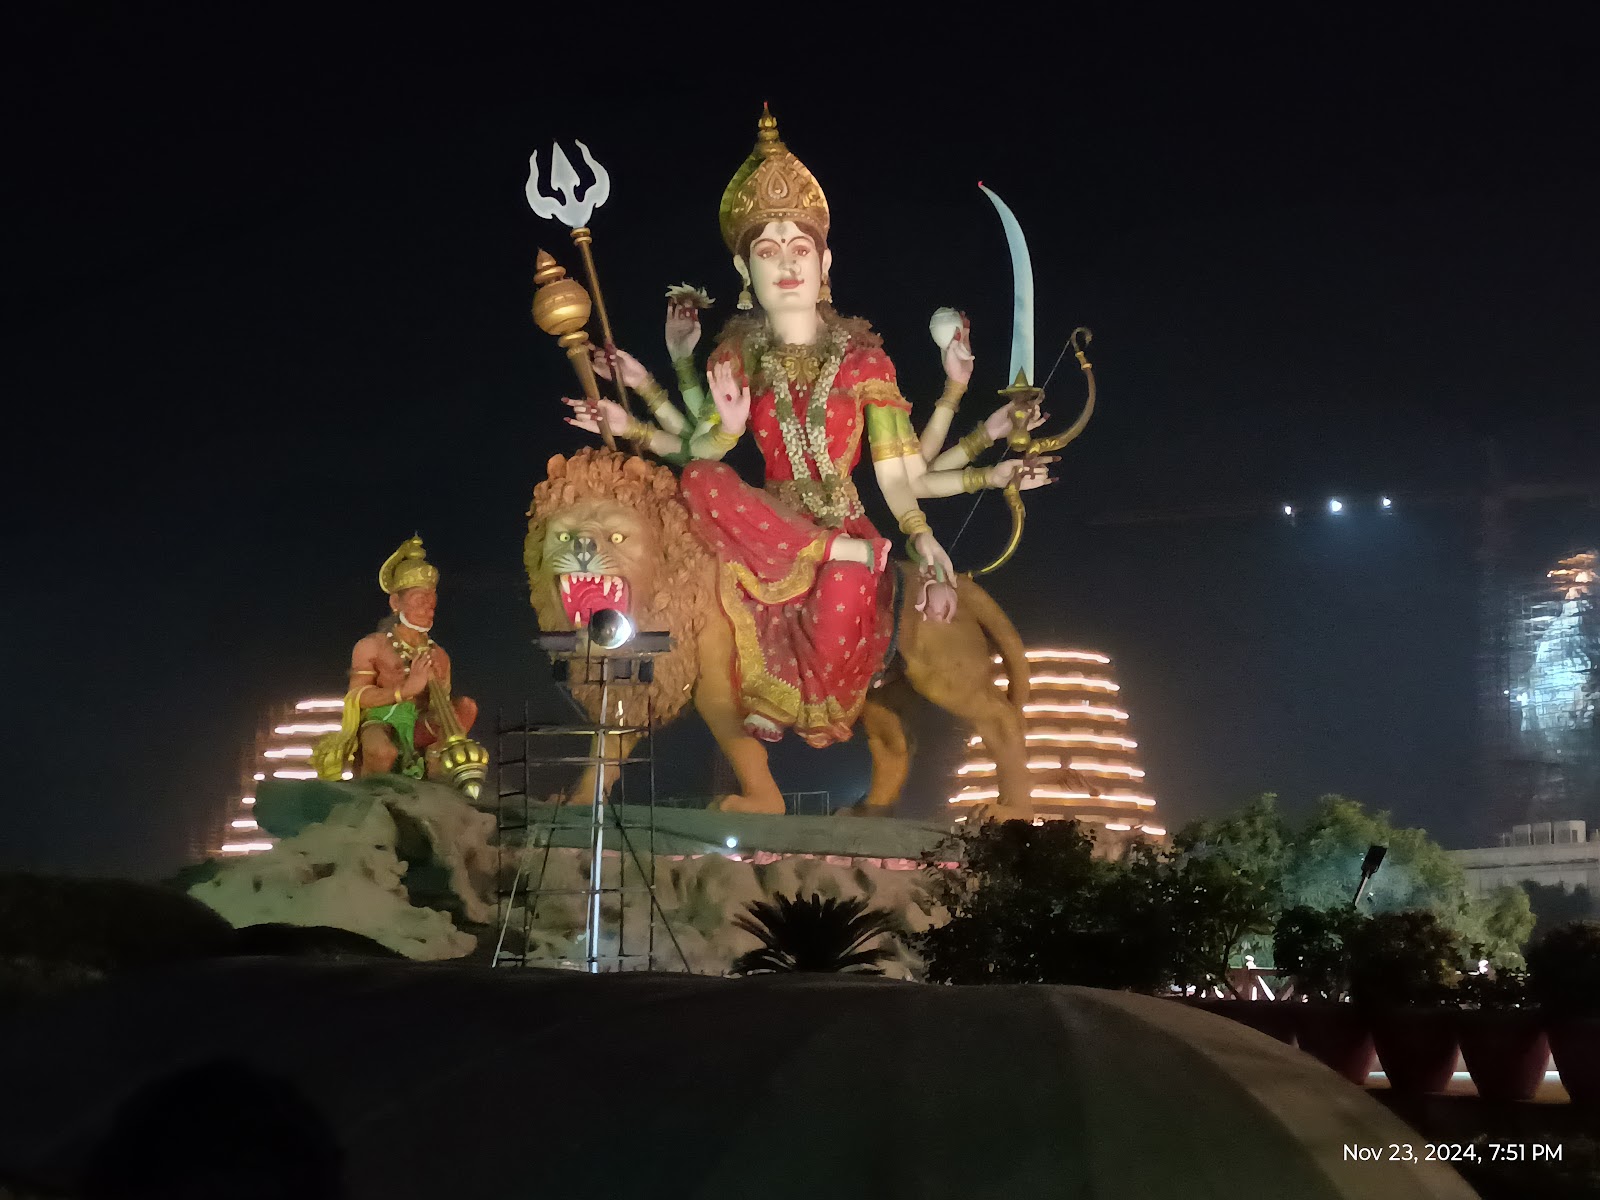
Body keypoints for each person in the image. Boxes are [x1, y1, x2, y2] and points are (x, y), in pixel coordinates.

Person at [566, 107, 1053, 747]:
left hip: (846, 524)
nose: (787, 265)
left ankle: (800, 684)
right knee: (704, 479)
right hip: (770, 524)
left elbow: (901, 475)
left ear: (826, 262)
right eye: (767, 252)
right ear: (745, 272)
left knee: (855, 572)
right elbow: (698, 447)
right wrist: (699, 408)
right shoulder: (737, 355)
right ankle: (812, 584)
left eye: (801, 249)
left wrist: (927, 541)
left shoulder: (864, 362)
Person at [311, 536, 477, 781]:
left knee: (465, 708)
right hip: (382, 719)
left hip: (420, 723)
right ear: (395, 603)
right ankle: (372, 795)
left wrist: (435, 694)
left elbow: (441, 708)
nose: (427, 609)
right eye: (419, 601)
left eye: (432, 603)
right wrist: (405, 689)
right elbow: (358, 696)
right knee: (382, 750)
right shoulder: (371, 646)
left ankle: (435, 771)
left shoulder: (439, 655)